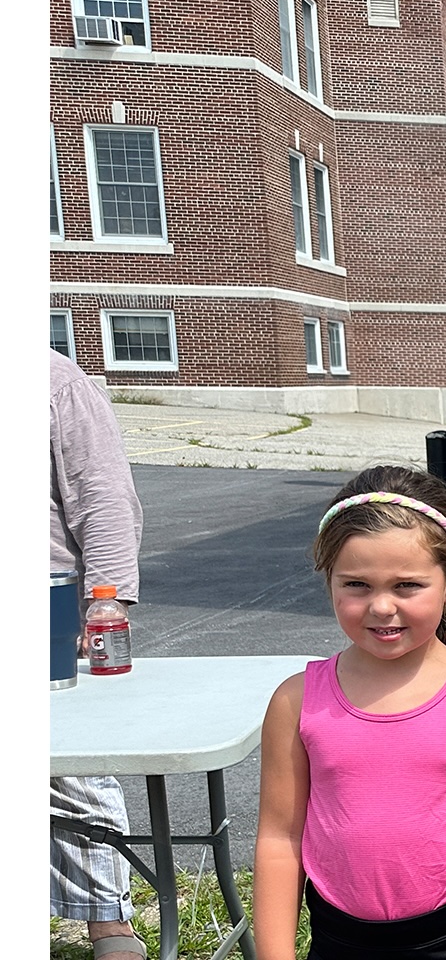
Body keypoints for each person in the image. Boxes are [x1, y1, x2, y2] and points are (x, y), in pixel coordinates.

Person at [253, 466, 446, 960]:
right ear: (329, 579)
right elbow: (279, 838)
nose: (382, 607)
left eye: (407, 585)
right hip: (343, 940)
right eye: (357, 585)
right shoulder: (296, 701)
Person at [49, 350, 148, 960]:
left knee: (67, 767)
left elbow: (102, 496)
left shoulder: (52, 381)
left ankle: (107, 920)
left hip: (40, 606)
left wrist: (103, 602)